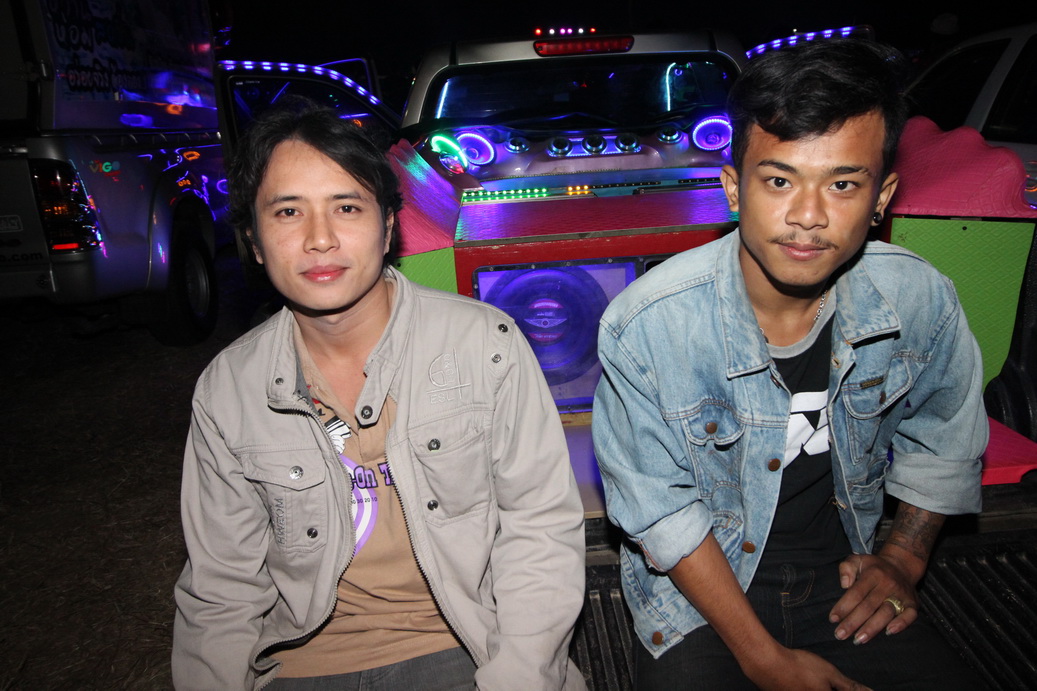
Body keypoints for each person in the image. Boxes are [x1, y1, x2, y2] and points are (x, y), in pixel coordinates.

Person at [592, 39, 988, 690]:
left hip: (845, 575)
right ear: (733, 188)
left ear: (882, 196)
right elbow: (659, 512)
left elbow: (944, 435)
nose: (807, 216)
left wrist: (900, 558)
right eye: (779, 180)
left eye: (842, 184)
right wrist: (765, 660)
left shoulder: (917, 298)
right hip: (699, 595)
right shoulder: (649, 325)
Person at [172, 103, 587, 690]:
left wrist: (516, 677)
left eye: (347, 207)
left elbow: (540, 531)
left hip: (463, 647)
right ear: (254, 241)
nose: (320, 239)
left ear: (389, 228)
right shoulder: (229, 391)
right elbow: (221, 590)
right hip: (302, 664)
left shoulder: (484, 346)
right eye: (288, 211)